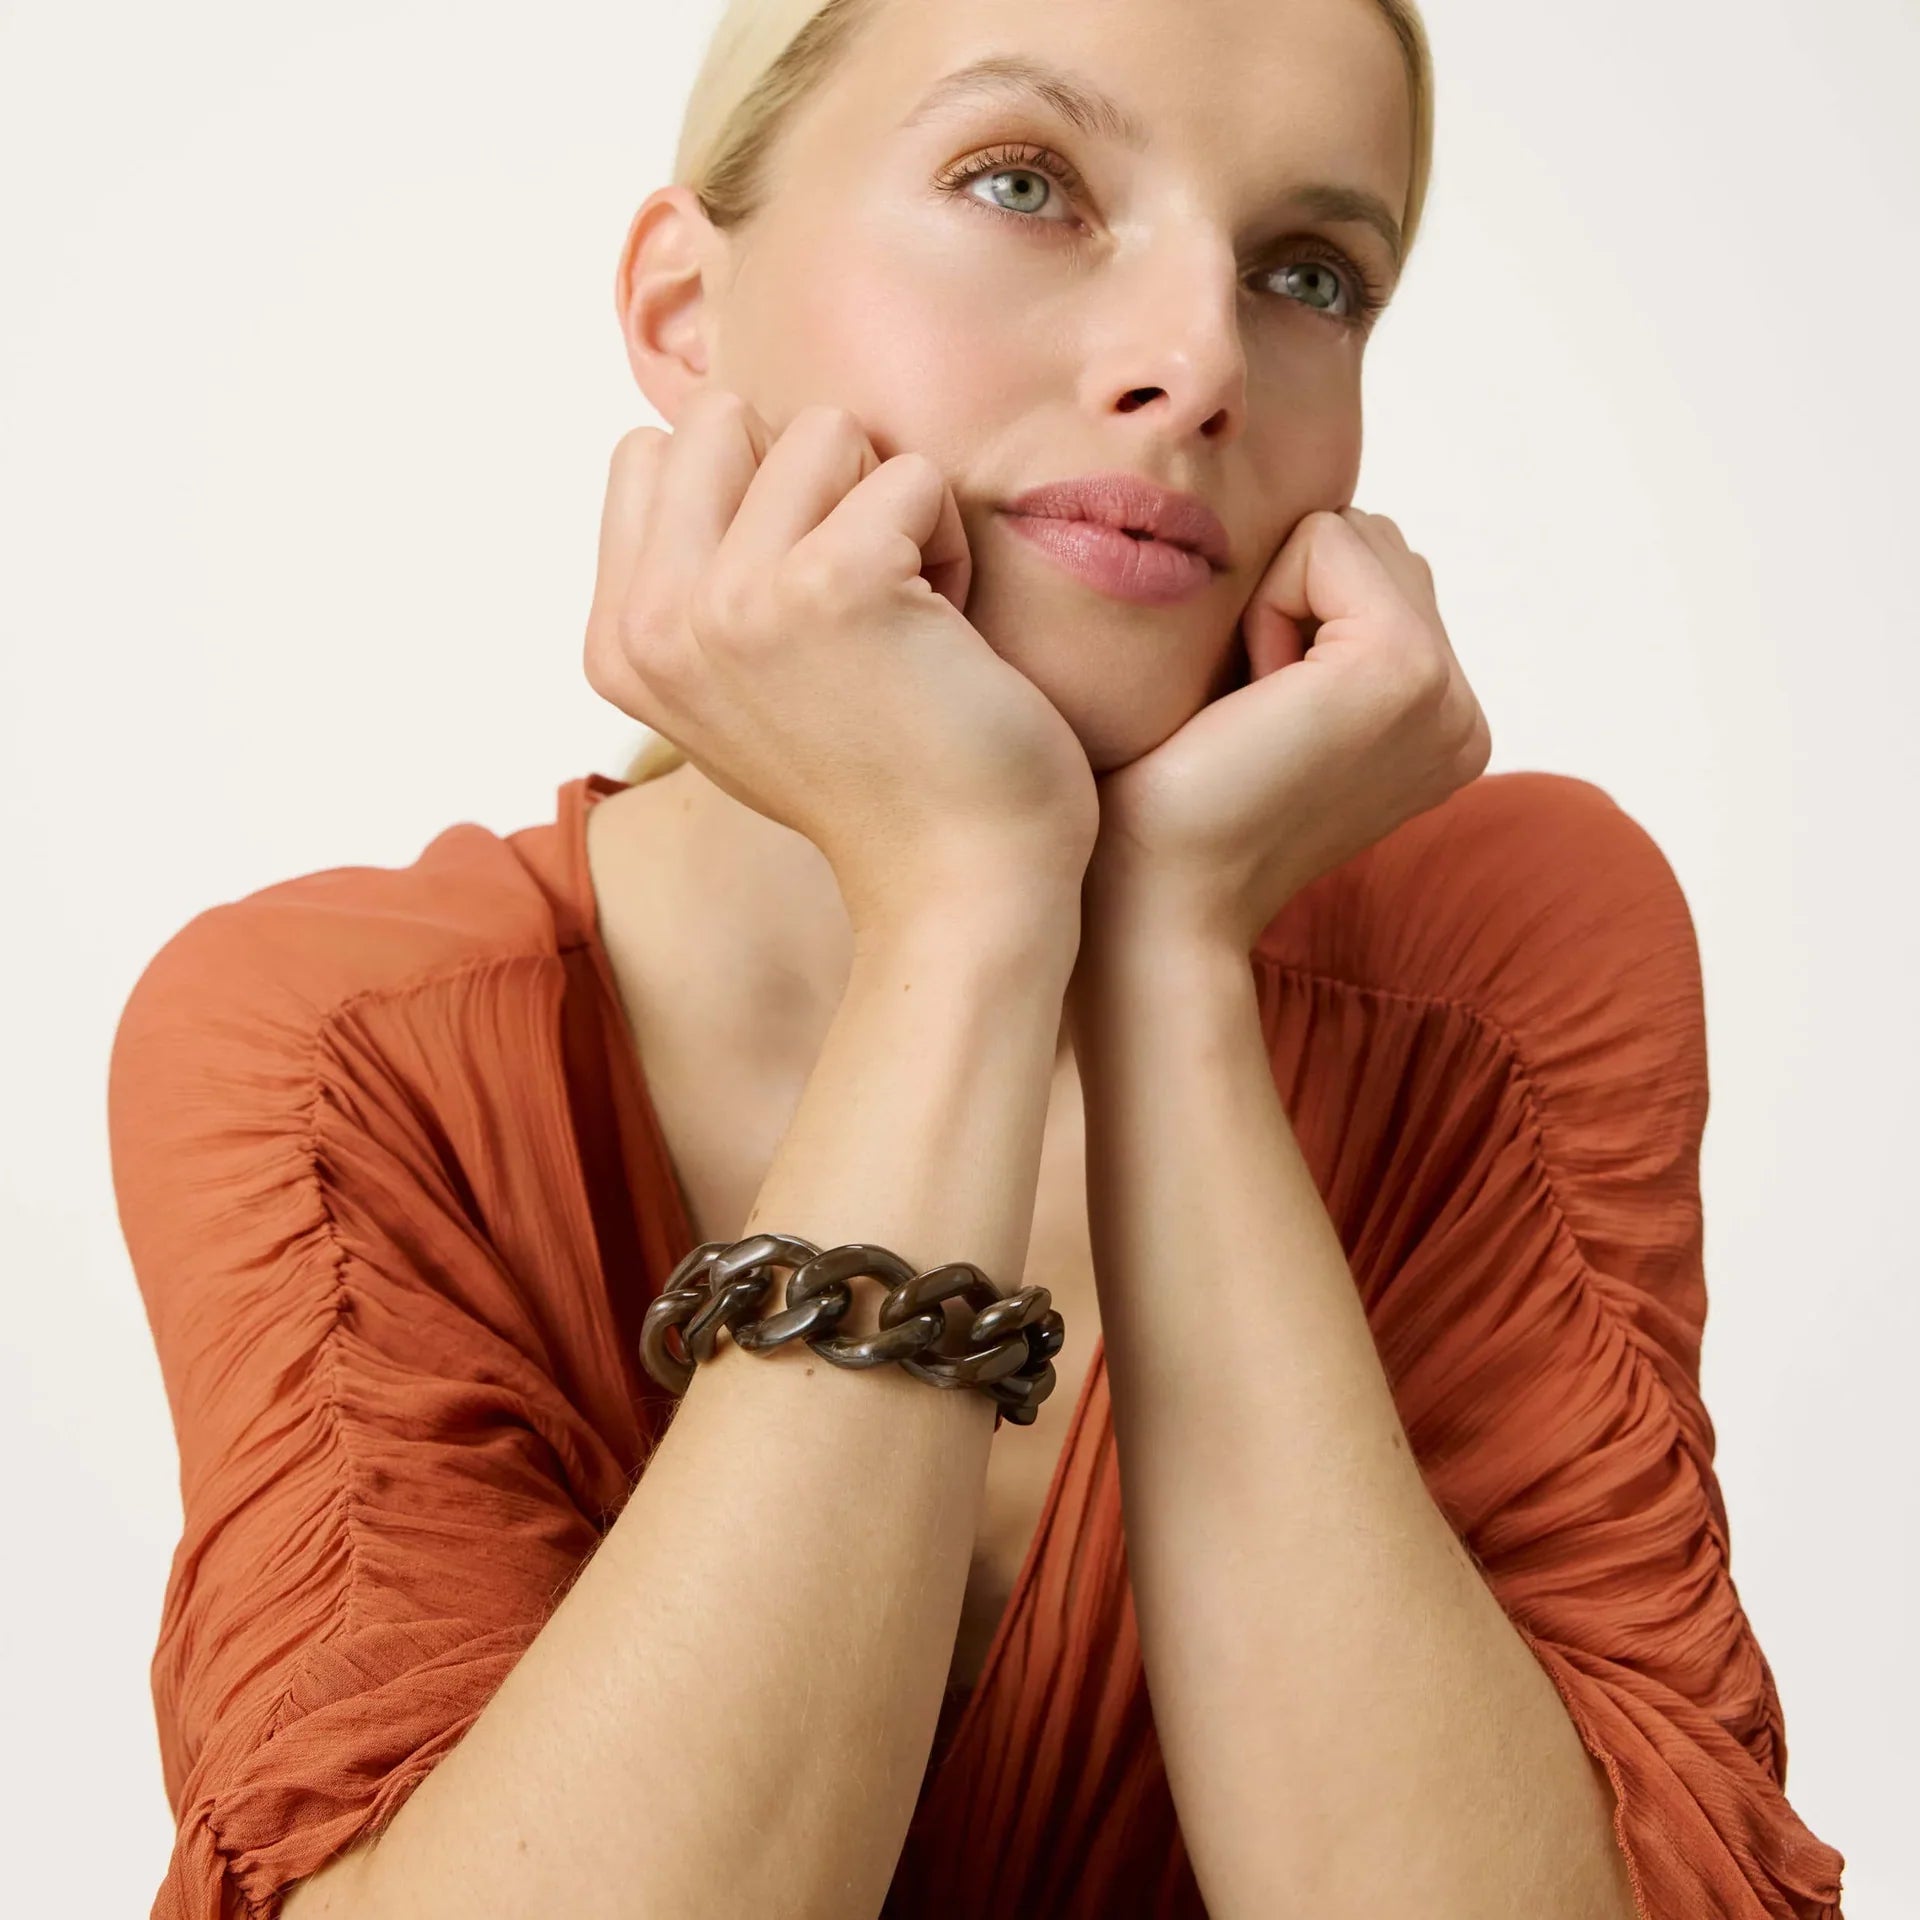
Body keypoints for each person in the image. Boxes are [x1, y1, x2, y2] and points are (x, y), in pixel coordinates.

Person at [107, 0, 1848, 1916]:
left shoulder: (1497, 952)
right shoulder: (335, 1039)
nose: (1199, 365)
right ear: (688, 311)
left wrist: (1172, 960)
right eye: (1024, 183)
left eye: (1309, 272)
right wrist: (964, 914)